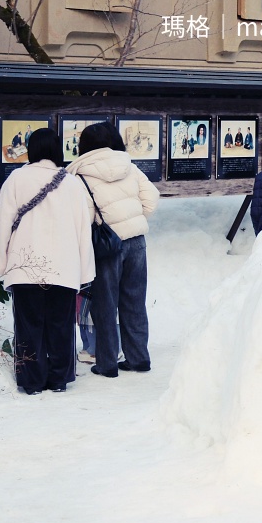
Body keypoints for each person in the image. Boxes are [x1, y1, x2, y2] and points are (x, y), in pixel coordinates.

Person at [0, 128, 95, 394]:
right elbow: (83, 229)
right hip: (64, 267)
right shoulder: (71, 183)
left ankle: (31, 381)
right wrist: (85, 272)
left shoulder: (16, 179)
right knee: (60, 326)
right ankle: (59, 379)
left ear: (31, 150)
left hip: (25, 267)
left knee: (29, 327)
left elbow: (3, 224)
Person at [69, 121, 159, 377]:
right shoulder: (129, 167)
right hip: (137, 242)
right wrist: (131, 217)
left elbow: (83, 217)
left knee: (104, 304)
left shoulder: (80, 175)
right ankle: (139, 358)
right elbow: (151, 201)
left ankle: (107, 363)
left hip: (107, 246)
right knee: (134, 302)